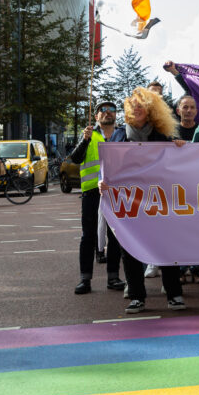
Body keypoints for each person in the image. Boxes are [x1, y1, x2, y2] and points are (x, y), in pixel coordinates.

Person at [108, 88, 188, 313]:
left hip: (158, 200)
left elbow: (174, 165)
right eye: (132, 104)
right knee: (130, 249)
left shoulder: (163, 137)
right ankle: (136, 296)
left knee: (165, 247)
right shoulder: (118, 135)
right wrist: (104, 182)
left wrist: (179, 149)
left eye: (141, 104)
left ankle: (173, 294)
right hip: (130, 201)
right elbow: (110, 166)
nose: (136, 107)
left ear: (151, 109)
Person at [69, 101, 128, 295]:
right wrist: (84, 140)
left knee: (114, 235)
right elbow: (75, 159)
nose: (108, 113)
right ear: (96, 116)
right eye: (103, 110)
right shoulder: (88, 134)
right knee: (88, 235)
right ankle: (85, 279)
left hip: (115, 191)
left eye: (112, 110)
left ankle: (113, 277)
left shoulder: (122, 134)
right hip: (92, 191)